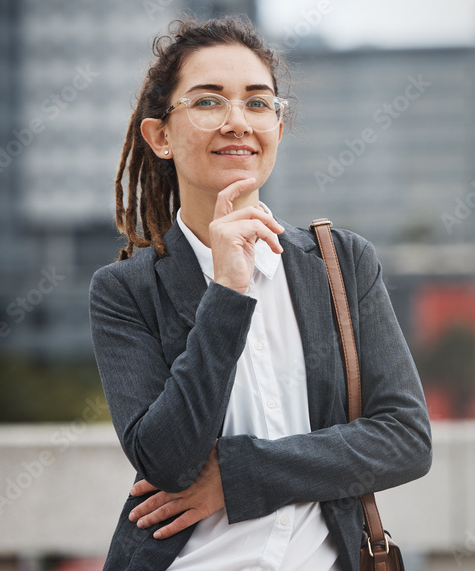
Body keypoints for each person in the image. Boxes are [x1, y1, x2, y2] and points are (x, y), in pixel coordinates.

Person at [88, 15, 432, 571]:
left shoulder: (341, 264)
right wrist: (227, 288)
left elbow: (405, 439)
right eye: (207, 102)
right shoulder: (125, 291)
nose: (236, 122)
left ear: (276, 123)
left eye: (257, 102)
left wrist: (240, 476)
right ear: (161, 136)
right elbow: (167, 461)